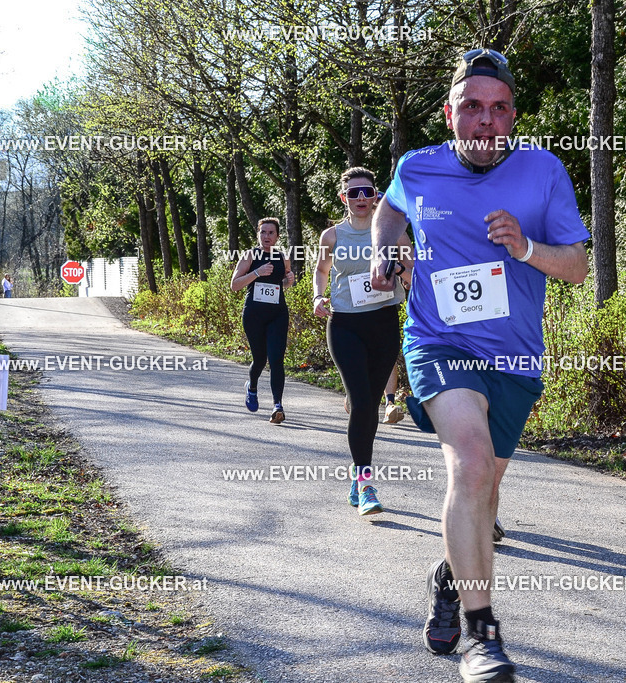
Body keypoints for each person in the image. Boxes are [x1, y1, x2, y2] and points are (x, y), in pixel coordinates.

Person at [370, 48, 589, 683]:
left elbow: (576, 266)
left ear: (513, 116)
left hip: (515, 356)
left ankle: (450, 574)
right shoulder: (418, 168)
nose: (485, 121)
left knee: (483, 495)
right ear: (450, 114)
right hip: (437, 342)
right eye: (472, 108)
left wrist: (526, 247)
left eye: (498, 109)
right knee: (467, 464)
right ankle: (481, 635)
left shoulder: (543, 172)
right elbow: (389, 208)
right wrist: (390, 250)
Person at [314, 167, 413, 516]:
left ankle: (358, 473)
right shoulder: (332, 235)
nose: (360, 198)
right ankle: (365, 482)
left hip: (384, 322)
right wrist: (317, 296)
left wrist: (398, 269)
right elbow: (322, 270)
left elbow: (413, 272)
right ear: (344, 198)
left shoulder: (394, 231)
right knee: (361, 404)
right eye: (353, 193)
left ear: (376, 196)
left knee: (370, 405)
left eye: (366, 192)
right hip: (344, 325)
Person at [230, 217, 295, 424]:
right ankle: (252, 386)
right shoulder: (250, 255)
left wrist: (289, 281)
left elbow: (282, 284)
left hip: (277, 314)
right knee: (260, 359)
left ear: (277, 236)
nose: (267, 236)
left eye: (271, 233)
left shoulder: (282, 257)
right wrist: (256, 273)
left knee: (276, 359)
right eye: (263, 232)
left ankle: (278, 406)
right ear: (258, 235)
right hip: (254, 315)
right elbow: (235, 285)